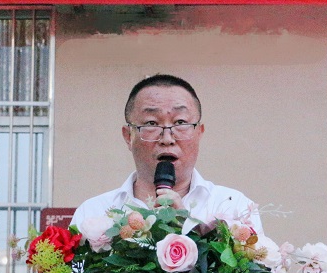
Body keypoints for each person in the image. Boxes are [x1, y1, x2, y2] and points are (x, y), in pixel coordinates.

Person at [70, 74, 276, 248]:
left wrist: (188, 230)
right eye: (152, 123)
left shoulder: (233, 207)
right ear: (128, 136)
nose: (167, 138)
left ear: (199, 133)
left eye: (180, 122)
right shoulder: (94, 214)